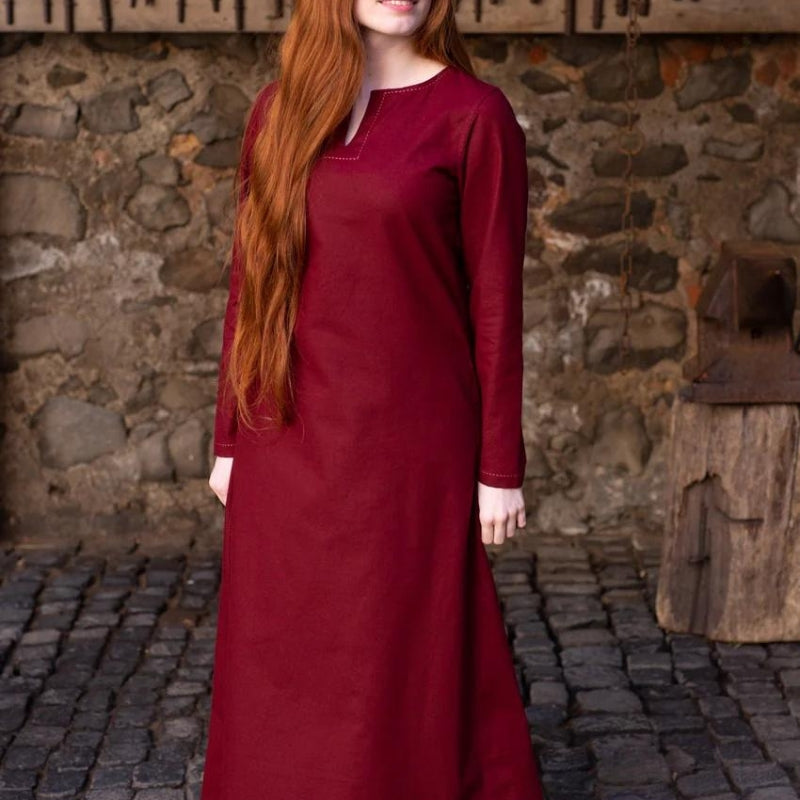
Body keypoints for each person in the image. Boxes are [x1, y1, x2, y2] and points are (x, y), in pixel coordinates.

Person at [201, 0, 544, 797]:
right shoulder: (278, 111)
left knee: (401, 664)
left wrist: (499, 467)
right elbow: (252, 287)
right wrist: (228, 439)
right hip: (286, 438)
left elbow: (496, 305)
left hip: (409, 452)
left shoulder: (474, 117)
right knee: (281, 660)